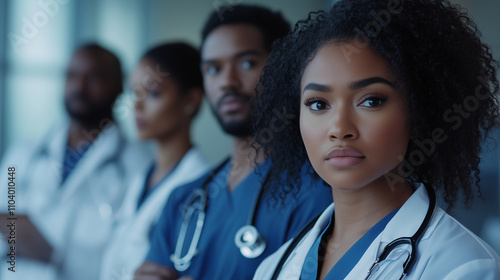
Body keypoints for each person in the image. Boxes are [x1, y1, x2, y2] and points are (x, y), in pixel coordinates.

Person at [251, 0, 500, 279]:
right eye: (319, 104)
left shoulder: (463, 267)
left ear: (418, 115)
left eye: (371, 100)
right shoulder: (272, 269)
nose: (339, 128)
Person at [133, 5, 332, 280]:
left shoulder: (316, 196)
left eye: (247, 63)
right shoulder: (183, 200)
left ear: (285, 69)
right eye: (213, 69)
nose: (227, 81)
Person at [0, 43, 152, 280]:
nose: (79, 87)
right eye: (72, 76)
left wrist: (57, 257)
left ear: (119, 87)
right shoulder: (22, 155)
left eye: (94, 78)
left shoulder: (139, 166)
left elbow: (130, 256)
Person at [100, 42, 211, 280]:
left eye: (153, 93)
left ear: (191, 100)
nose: (137, 106)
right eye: (134, 93)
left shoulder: (202, 187)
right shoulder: (142, 176)